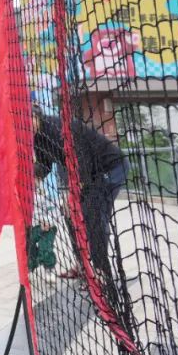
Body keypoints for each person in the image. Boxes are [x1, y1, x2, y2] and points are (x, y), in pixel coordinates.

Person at [31, 105, 128, 291]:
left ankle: (101, 273)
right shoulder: (37, 137)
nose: (27, 128)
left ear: (36, 116)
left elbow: (81, 159)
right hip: (87, 173)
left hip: (109, 168)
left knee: (93, 216)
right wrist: (31, 178)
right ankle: (83, 265)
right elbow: (45, 165)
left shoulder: (57, 128)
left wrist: (72, 193)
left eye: (29, 121)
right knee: (70, 215)